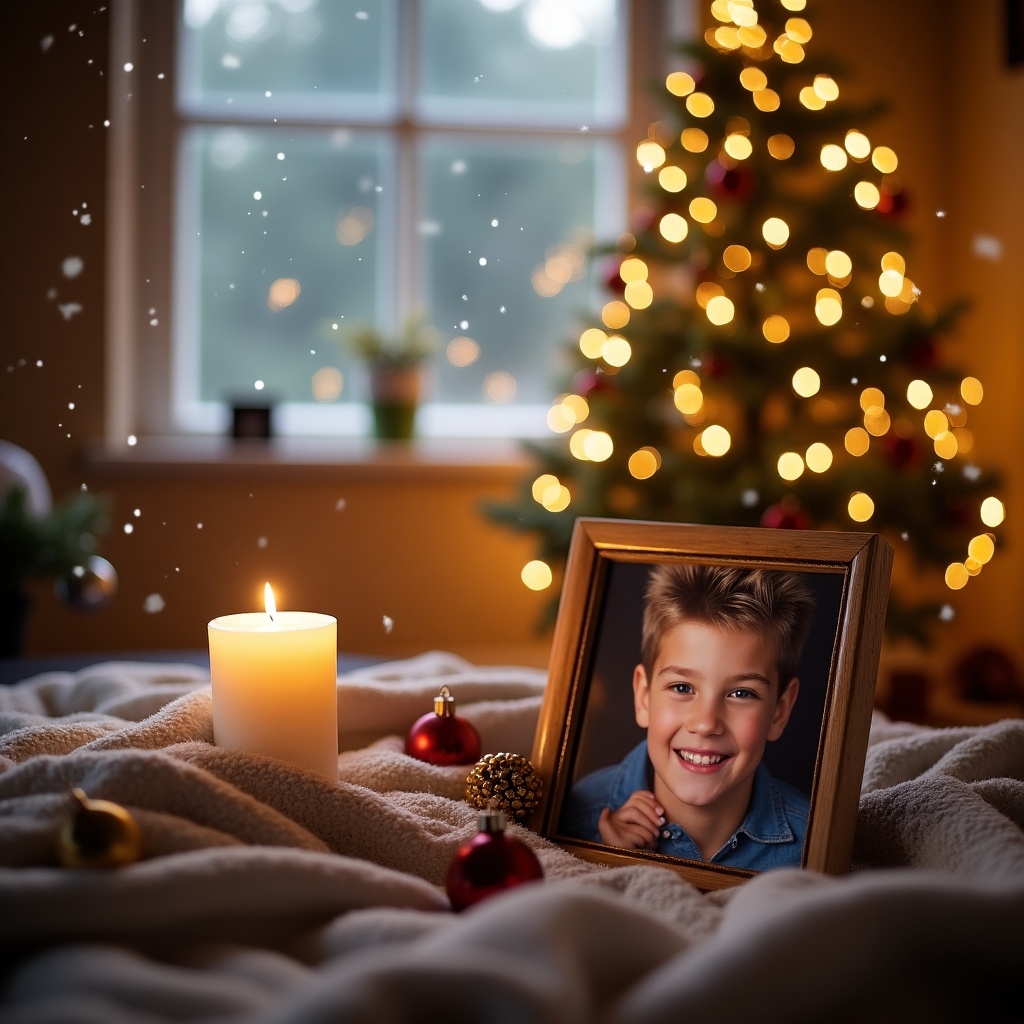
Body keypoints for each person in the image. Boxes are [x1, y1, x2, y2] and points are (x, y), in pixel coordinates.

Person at [560, 562, 815, 871]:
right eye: (682, 687)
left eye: (741, 693)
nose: (706, 723)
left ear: (779, 711)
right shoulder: (569, 818)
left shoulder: (813, 850)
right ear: (643, 697)